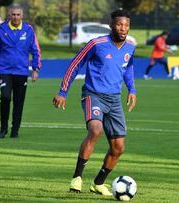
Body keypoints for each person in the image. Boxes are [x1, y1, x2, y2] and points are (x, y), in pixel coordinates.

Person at [52, 9, 137, 196]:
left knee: (118, 148)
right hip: (93, 95)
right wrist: (62, 92)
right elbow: (75, 64)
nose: (123, 29)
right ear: (111, 25)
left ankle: (98, 183)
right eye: (119, 24)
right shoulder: (96, 44)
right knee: (95, 130)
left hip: (114, 100)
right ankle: (77, 177)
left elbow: (128, 67)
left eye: (126, 25)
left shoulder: (130, 47)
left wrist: (132, 89)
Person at [0, 4, 41, 138]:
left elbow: (36, 50)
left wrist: (35, 69)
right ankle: (3, 128)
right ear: (9, 15)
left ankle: (15, 131)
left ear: (22, 16)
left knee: (19, 102)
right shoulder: (2, 29)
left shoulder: (28, 30)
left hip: (21, 72)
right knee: (5, 97)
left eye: (18, 14)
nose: (16, 17)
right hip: (5, 71)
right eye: (13, 14)